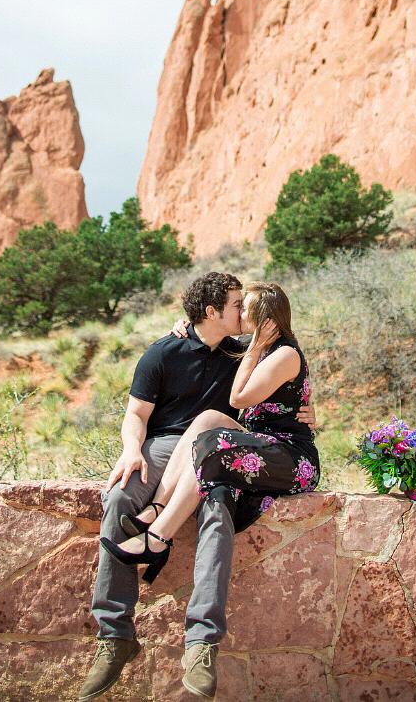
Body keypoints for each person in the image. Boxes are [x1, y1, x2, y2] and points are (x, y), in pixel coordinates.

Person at [78, 273, 316, 701]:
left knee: (218, 506)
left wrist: (307, 409)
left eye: (246, 305)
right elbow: (135, 414)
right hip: (164, 447)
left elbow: (279, 379)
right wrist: (132, 450)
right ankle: (114, 636)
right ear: (211, 312)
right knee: (117, 498)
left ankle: (201, 643)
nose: (242, 310)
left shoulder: (241, 350)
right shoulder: (163, 351)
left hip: (219, 448)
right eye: (236, 304)